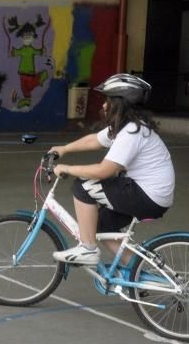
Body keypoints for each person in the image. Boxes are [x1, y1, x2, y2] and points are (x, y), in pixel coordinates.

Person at [48, 74, 175, 266]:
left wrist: (68, 168)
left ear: (120, 104)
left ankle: (87, 249)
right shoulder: (128, 127)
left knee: (83, 186)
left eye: (108, 101)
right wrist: (64, 149)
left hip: (148, 195)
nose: (104, 106)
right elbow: (94, 140)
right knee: (100, 226)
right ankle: (137, 274)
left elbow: (103, 171)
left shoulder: (132, 132)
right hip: (150, 194)